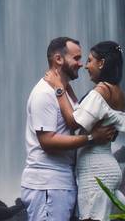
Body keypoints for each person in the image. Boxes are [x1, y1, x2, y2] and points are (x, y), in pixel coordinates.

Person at [21, 37, 118, 221]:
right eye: (76, 58)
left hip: (61, 182)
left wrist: (63, 87)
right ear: (59, 59)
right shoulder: (44, 93)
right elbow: (47, 142)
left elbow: (74, 119)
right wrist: (91, 138)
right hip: (47, 185)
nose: (81, 64)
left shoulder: (63, 93)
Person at [44, 40, 125, 221]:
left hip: (95, 171)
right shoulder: (117, 92)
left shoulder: (100, 91)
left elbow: (73, 122)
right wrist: (67, 87)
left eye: (89, 61)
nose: (86, 66)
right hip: (107, 164)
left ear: (101, 63)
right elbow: (86, 112)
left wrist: (58, 88)